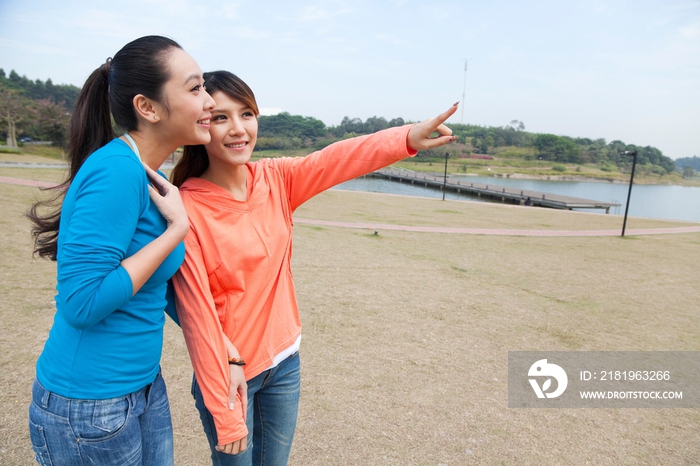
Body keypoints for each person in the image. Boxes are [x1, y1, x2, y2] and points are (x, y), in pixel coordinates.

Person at [170, 70, 458, 465]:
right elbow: (190, 308)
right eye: (220, 117)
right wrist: (223, 406)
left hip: (285, 363)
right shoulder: (185, 207)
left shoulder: (276, 179)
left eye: (246, 114)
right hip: (230, 375)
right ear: (202, 125)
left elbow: (336, 159)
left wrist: (405, 138)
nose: (238, 129)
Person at [26, 35, 215, 466]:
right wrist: (176, 230)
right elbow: (81, 302)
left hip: (143, 388)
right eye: (194, 88)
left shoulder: (147, 174)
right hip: (89, 406)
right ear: (147, 108)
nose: (208, 100)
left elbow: (153, 289)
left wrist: (222, 346)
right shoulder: (116, 171)